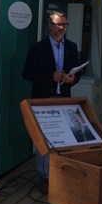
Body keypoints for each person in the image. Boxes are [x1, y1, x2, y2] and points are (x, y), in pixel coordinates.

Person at [22, 10, 82, 182]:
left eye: (65, 24)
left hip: (63, 99)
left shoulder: (71, 46)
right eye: (59, 24)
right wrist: (51, 76)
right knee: (43, 139)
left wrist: (72, 79)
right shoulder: (38, 47)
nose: (62, 28)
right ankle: (44, 176)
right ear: (50, 25)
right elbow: (27, 73)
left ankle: (58, 174)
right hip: (42, 99)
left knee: (62, 137)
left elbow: (77, 72)